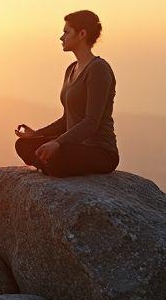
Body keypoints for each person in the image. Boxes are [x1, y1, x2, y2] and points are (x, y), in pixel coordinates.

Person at [14, 10, 119, 177]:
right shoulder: (71, 69)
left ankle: (51, 165)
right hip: (72, 146)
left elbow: (91, 122)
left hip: (99, 150)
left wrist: (57, 142)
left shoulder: (98, 69)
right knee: (23, 145)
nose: (61, 37)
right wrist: (37, 134)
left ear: (82, 34)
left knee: (57, 156)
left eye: (66, 32)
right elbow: (66, 119)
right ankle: (51, 165)